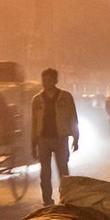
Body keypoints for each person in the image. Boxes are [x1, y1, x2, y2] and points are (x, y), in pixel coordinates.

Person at [31, 68, 80, 207]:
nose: (46, 83)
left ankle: (66, 198)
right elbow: (34, 123)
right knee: (45, 172)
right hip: (43, 140)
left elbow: (73, 118)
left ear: (56, 80)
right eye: (44, 80)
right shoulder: (37, 100)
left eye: (49, 80)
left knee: (63, 170)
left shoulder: (66, 97)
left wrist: (76, 138)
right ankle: (47, 200)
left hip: (61, 139)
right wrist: (33, 144)